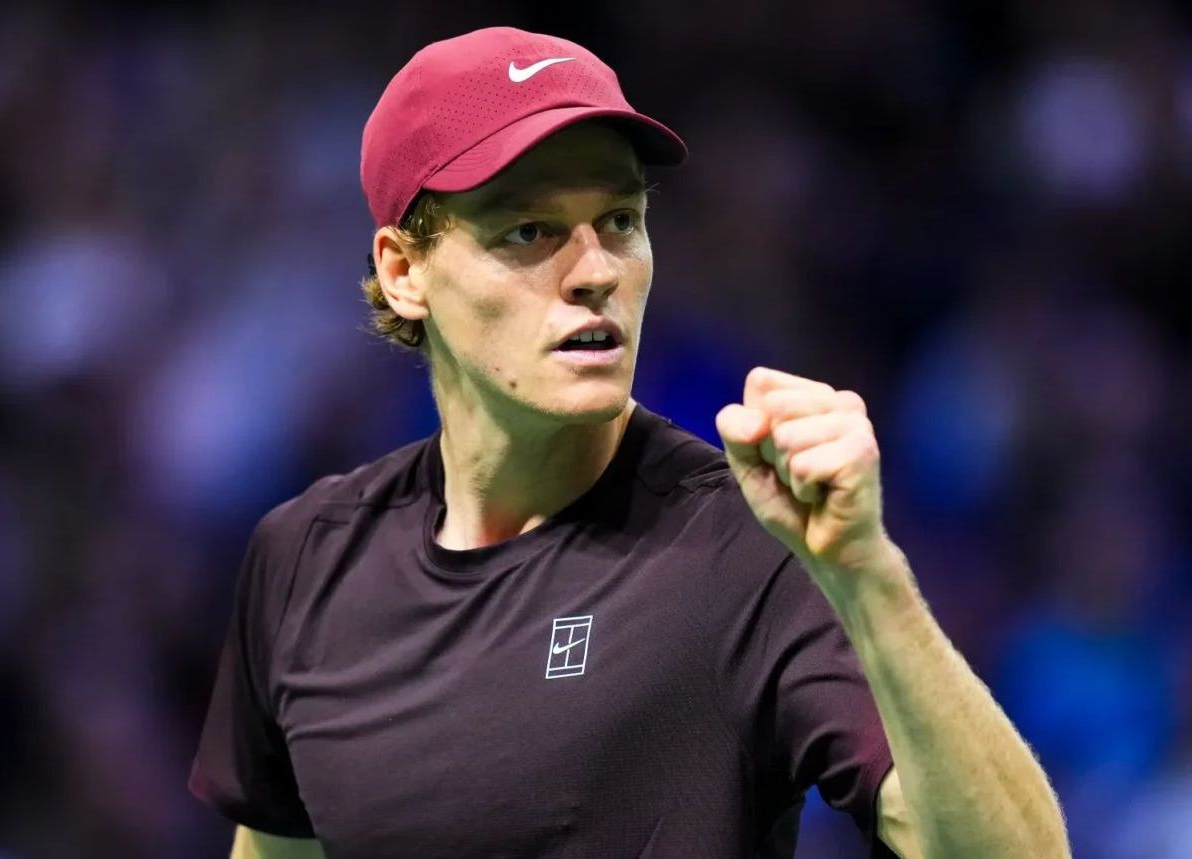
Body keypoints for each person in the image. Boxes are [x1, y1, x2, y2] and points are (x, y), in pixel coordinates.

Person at [189, 26, 1070, 859]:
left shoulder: (751, 546)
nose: (596, 271)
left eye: (618, 219)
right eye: (528, 230)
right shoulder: (302, 561)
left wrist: (869, 574)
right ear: (403, 271)